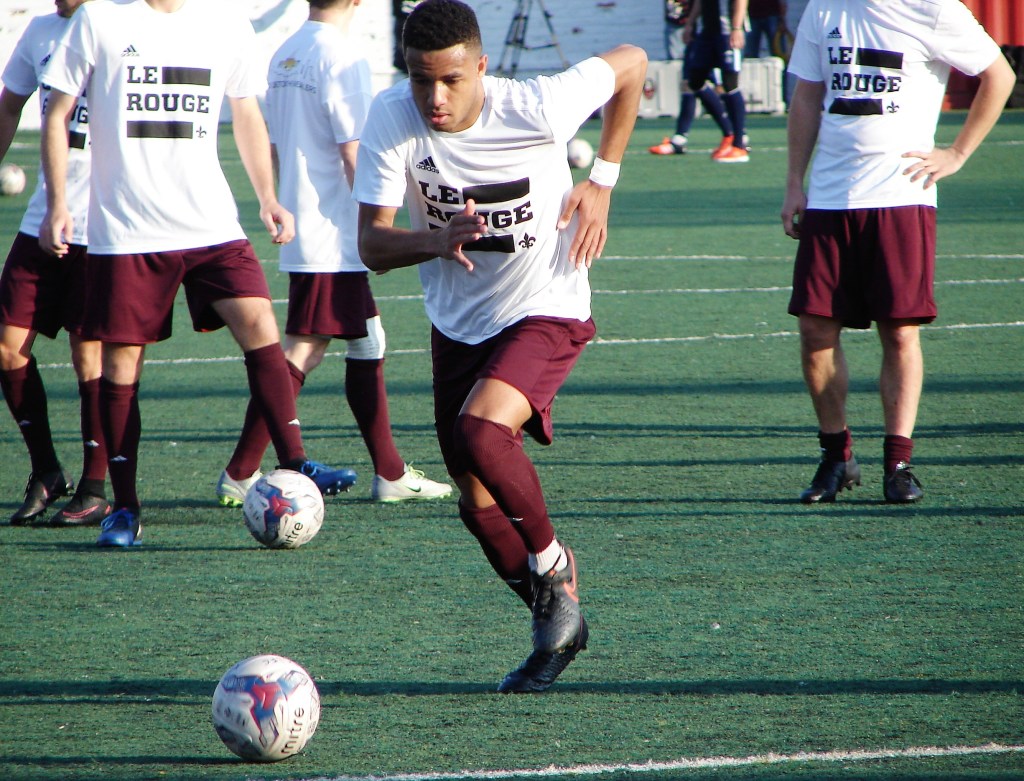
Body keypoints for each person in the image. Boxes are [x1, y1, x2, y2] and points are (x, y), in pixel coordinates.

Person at [353, 0, 645, 692]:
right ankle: (557, 618)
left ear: (482, 67)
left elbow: (633, 64)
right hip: (458, 323)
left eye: (452, 79)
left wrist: (603, 180)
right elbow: (371, 244)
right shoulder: (391, 117)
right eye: (420, 79)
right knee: (474, 497)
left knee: (483, 432)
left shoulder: (537, 106)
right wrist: (435, 240)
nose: (435, 97)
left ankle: (554, 566)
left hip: (547, 304)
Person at [38, 0, 355, 548]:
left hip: (211, 225)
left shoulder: (226, 21)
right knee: (121, 363)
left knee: (260, 323)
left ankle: (295, 462)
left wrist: (267, 197)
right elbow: (56, 112)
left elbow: (246, 112)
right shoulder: (100, 19)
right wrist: (58, 204)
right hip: (129, 232)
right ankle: (124, 509)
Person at [217, 0, 451, 507]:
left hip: (310, 221)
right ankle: (241, 470)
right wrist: (382, 229)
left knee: (366, 339)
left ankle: (389, 472)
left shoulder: (285, 53)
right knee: (305, 347)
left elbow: (277, 143)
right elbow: (354, 151)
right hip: (336, 228)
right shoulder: (343, 55)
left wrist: (281, 198)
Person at [781, 0, 1014, 504]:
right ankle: (836, 456)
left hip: (902, 194)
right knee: (815, 329)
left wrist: (957, 153)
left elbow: (999, 75)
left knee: (900, 331)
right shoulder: (823, 8)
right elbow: (807, 95)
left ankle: (899, 464)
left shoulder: (934, 8)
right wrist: (795, 182)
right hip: (830, 196)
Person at [0, 0, 110, 527]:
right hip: (45, 217)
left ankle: (95, 485)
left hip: (105, 222)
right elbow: (9, 105)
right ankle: (47, 471)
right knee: (6, 345)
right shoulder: (40, 31)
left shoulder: (118, 26)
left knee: (89, 354)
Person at [649, 0, 750, 161]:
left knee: (730, 84)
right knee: (694, 81)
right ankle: (729, 133)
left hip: (727, 32)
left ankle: (739, 145)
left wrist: (737, 28)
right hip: (707, 34)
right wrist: (690, 23)